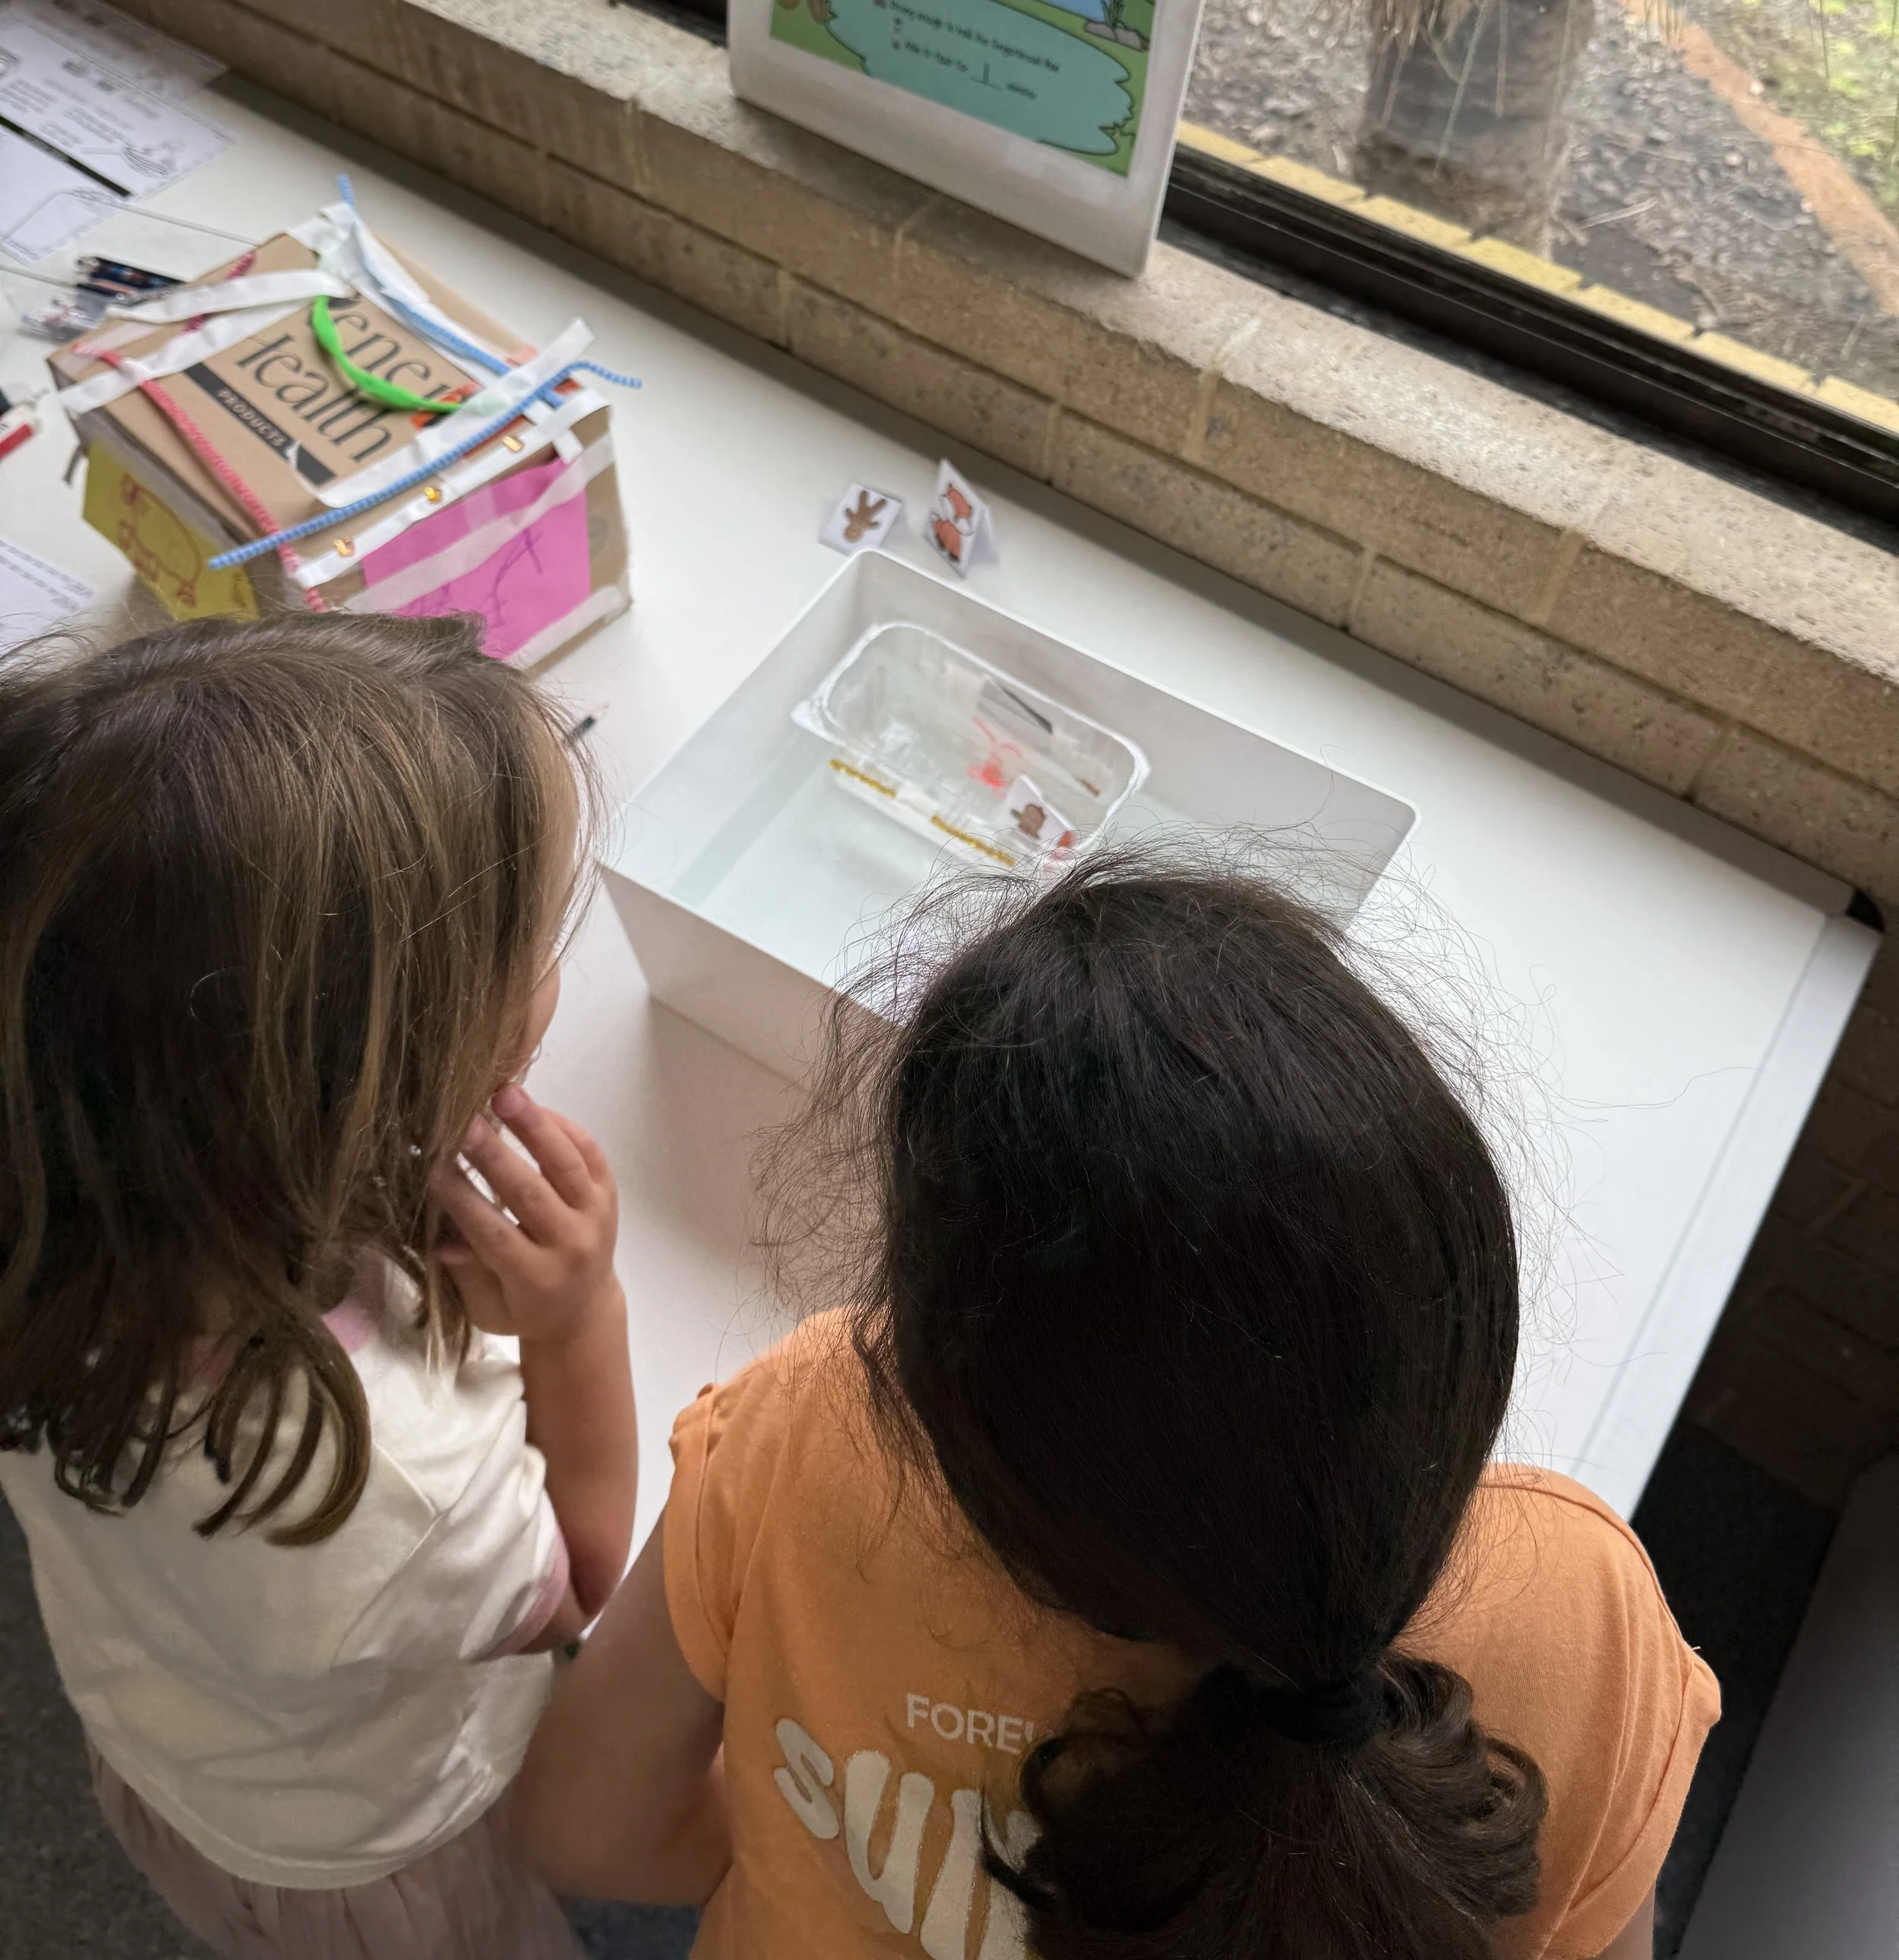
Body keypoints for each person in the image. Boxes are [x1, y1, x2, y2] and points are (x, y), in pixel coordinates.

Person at [514, 855, 1719, 1960]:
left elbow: (589, 1829)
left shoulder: (809, 1434)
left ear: (939, 1386)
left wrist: (797, 1847)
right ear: (1452, 1307)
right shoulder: (1581, 1616)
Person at [0, 613, 636, 1960]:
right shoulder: (388, 1482)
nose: (550, 978)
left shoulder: (50, 1207)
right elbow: (579, 1591)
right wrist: (582, 1323)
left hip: (181, 1747)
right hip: (373, 1853)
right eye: (521, 950)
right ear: (352, 1079)